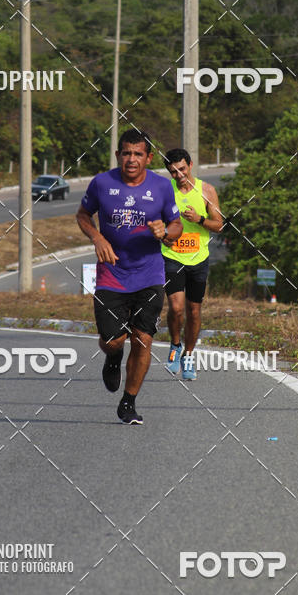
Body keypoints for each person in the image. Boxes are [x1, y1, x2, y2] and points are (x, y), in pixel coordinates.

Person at [76, 129, 182, 424]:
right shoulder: (102, 183)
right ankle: (112, 357)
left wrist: (166, 233)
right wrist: (97, 237)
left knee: (143, 339)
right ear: (117, 155)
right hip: (112, 275)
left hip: (149, 275)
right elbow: (83, 215)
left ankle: (128, 401)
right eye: (126, 153)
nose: (131, 159)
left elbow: (176, 225)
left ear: (148, 157)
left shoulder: (161, 187)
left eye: (138, 154)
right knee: (113, 340)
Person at [161, 148, 224, 380]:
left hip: (198, 259)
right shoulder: (166, 191)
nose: (179, 175)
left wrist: (199, 219)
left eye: (182, 169)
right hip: (172, 256)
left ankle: (188, 355)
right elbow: (155, 219)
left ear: (190, 164)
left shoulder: (207, 191)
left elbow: (219, 225)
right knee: (176, 309)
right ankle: (175, 345)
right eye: (173, 172)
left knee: (194, 311)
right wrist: (162, 235)